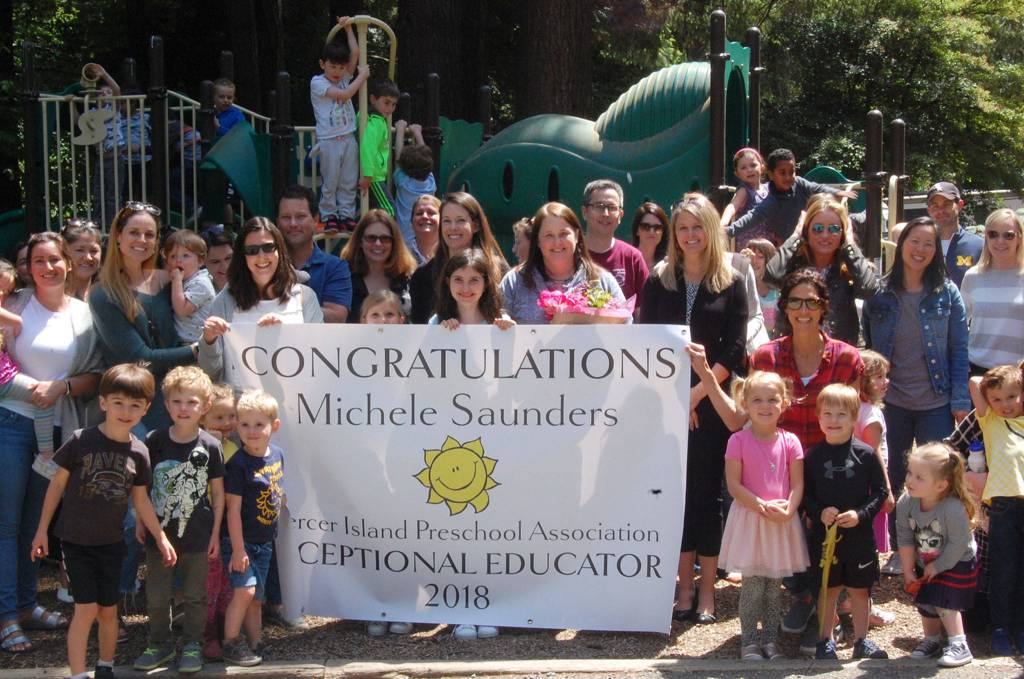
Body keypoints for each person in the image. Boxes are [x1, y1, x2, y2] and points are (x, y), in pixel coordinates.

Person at [640, 193, 748, 623]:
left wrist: (698, 393)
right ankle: (681, 590)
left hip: (711, 403)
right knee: (677, 498)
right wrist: (674, 399)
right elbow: (646, 344)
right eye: (682, 228)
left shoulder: (731, 280)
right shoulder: (659, 279)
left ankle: (707, 593)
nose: (690, 235)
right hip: (667, 408)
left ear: (711, 229)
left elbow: (736, 348)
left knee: (707, 498)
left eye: (697, 226)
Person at [30, 363, 177, 679]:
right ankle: (78, 673)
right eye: (119, 402)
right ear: (104, 402)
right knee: (85, 609)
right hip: (75, 541)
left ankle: (105, 665)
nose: (126, 411)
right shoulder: (81, 440)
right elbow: (56, 486)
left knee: (109, 610)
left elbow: (141, 500)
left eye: (135, 405)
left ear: (146, 408)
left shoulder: (139, 452)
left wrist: (160, 536)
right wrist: (41, 530)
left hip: (111, 544)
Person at [0, 232, 105, 655]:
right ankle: (6, 615)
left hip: (58, 433)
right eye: (38, 261)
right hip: (11, 424)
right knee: (6, 525)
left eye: (55, 260)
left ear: (67, 262)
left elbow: (95, 375)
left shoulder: (84, 314)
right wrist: (30, 390)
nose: (47, 268)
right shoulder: (13, 306)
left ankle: (26, 605)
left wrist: (60, 386)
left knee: (34, 524)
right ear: (29, 266)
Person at [749, 268, 864, 653]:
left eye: (811, 302)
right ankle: (802, 597)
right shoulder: (765, 356)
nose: (803, 309)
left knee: (833, 535)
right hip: (781, 464)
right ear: (783, 307)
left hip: (832, 462)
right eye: (795, 301)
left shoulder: (847, 359)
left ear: (823, 307)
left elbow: (857, 418)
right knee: (788, 531)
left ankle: (833, 607)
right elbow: (749, 413)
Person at [863, 216, 970, 576]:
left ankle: (930, 551)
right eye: (915, 241)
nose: (920, 249)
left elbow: (959, 349)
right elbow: (870, 348)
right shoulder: (880, 293)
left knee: (933, 480)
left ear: (936, 251)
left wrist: (959, 401)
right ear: (901, 244)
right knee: (894, 475)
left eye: (929, 244)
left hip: (935, 402)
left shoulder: (946, 292)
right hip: (891, 402)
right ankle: (898, 548)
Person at [690, 356, 808, 661]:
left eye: (772, 400)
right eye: (757, 400)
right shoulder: (738, 440)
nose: (765, 406)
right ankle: (749, 642)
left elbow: (797, 484)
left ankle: (771, 641)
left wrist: (789, 509)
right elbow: (733, 485)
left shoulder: (791, 441)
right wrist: (759, 505)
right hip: (751, 518)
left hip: (780, 521)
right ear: (745, 402)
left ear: (784, 403)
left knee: (774, 587)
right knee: (753, 586)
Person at [133, 367, 224, 674]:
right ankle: (158, 643)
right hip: (161, 535)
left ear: (205, 406)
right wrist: (140, 521)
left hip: (198, 536)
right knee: (157, 596)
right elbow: (142, 490)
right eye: (177, 401)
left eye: (192, 402)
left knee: (197, 597)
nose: (184, 408)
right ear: (167, 404)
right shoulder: (154, 440)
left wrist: (215, 534)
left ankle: (192, 644)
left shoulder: (211, 445)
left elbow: (218, 494)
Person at [90, 202, 197, 430]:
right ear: (118, 236)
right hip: (134, 408)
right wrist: (195, 351)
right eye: (134, 233)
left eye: (150, 234)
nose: (142, 240)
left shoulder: (169, 280)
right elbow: (140, 359)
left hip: (180, 401)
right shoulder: (103, 293)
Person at [802, 384, 888, 660]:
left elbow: (881, 492)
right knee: (827, 589)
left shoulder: (865, 454)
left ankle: (862, 640)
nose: (833, 420)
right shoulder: (813, 457)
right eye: (827, 414)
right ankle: (825, 640)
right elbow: (806, 496)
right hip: (825, 538)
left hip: (859, 537)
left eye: (841, 414)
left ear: (854, 419)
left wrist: (861, 514)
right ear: (818, 418)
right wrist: (819, 512)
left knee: (860, 590)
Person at [199, 217, 324, 387]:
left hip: (295, 406)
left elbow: (319, 363)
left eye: (268, 247)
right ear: (242, 257)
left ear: (279, 250)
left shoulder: (305, 297)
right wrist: (209, 340)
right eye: (252, 250)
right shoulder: (225, 301)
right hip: (240, 408)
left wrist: (285, 335)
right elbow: (210, 373)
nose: (261, 256)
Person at [897, 442, 978, 667]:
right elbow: (904, 538)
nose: (910, 481)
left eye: (919, 478)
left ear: (941, 485)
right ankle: (932, 640)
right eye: (909, 473)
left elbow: (959, 543)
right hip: (928, 557)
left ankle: (959, 644)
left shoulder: (952, 508)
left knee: (944, 600)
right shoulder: (906, 502)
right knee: (925, 600)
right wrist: (908, 570)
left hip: (957, 559)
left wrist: (940, 565)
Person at [220, 389, 285, 667]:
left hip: (265, 540)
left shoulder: (278, 455)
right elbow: (232, 509)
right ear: (237, 427)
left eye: (259, 424)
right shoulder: (237, 464)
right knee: (244, 591)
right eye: (245, 425)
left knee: (256, 598)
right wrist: (237, 549)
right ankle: (230, 642)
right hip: (240, 541)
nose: (252, 431)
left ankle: (256, 642)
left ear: (274, 426)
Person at [764, 195, 877, 345]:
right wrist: (796, 235)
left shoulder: (851, 265)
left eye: (834, 229)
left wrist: (850, 245)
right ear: (807, 231)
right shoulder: (792, 264)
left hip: (837, 356)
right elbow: (771, 276)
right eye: (817, 228)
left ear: (843, 233)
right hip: (793, 351)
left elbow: (868, 289)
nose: (825, 235)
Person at [971, 365, 1024, 655]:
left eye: (1013, 397)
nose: (1005, 405)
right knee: (1004, 569)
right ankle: (1002, 627)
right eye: (998, 399)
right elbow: (974, 380)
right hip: (1003, 505)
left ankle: (1021, 625)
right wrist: (1006, 379)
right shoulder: (990, 420)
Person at [500, 202, 625, 325]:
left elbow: (627, 327)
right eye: (549, 235)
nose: (557, 242)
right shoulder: (514, 282)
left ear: (576, 236)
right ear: (537, 241)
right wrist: (503, 322)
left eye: (564, 234)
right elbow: (495, 321)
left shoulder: (602, 281)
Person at [409, 192, 508, 324]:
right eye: (446, 221)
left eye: (460, 220)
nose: (453, 227)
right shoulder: (423, 276)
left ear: (476, 226)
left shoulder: (498, 269)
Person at [726, 148, 856, 247]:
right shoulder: (770, 201)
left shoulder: (799, 183)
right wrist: (729, 231)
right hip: (788, 242)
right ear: (771, 175)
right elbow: (752, 217)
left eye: (791, 172)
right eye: (782, 173)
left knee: (852, 220)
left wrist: (837, 192)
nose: (788, 177)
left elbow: (816, 188)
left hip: (807, 234)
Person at [309, 17, 369, 231]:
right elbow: (343, 96)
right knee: (331, 180)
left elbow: (354, 54)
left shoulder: (344, 77)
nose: (337, 71)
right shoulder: (318, 82)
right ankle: (328, 215)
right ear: (322, 64)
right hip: (330, 140)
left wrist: (349, 28)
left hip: (348, 137)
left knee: (348, 180)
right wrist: (361, 77)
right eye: (332, 66)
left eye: (341, 67)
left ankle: (346, 214)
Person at [960, 208, 1024, 374]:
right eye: (993, 234)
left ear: (1019, 238)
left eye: (1008, 235)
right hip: (978, 372)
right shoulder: (972, 276)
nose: (1000, 241)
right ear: (986, 237)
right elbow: (959, 324)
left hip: (1018, 374)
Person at [277, 184, 353, 322]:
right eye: (286, 217)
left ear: (316, 219)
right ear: (277, 222)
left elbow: (337, 318)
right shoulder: (266, 265)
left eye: (300, 216)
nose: (293, 224)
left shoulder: (335, 267)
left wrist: (292, 305)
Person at [201, 383, 238, 661]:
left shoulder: (234, 447)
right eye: (219, 417)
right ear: (203, 418)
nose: (226, 424)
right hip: (204, 529)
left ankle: (227, 634)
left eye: (230, 417)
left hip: (229, 528)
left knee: (227, 584)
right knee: (208, 586)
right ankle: (207, 635)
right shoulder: (199, 447)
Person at [581, 179, 649, 311]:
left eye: (612, 207)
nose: (605, 213)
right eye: (599, 206)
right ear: (585, 212)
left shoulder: (632, 258)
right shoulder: (570, 254)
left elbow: (643, 312)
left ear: (620, 215)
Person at [340, 209, 416, 323]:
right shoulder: (344, 278)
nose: (378, 244)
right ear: (360, 241)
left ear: (394, 243)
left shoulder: (408, 280)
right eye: (371, 238)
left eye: (385, 238)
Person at [430, 248, 515, 330]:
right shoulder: (437, 322)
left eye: (474, 280)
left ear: (485, 284)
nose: (465, 289)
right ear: (448, 282)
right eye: (458, 280)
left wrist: (512, 331)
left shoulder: (501, 323)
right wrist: (439, 334)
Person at [924, 182, 983, 288]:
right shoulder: (920, 246)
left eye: (946, 204)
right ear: (929, 210)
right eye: (935, 206)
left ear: (960, 205)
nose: (940, 210)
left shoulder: (979, 246)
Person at [393, 121, 436, 263]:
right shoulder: (430, 184)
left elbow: (398, 158)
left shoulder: (404, 183)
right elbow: (426, 157)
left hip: (404, 237)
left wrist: (399, 130)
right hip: (423, 234)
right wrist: (418, 133)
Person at [164, 229, 216, 345]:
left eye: (185, 255)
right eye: (173, 256)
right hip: (182, 343)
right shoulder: (186, 280)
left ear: (200, 261)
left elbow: (182, 310)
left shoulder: (201, 283)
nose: (178, 260)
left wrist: (176, 281)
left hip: (196, 345)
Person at [360, 78, 400, 216]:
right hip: (374, 177)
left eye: (394, 104)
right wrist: (368, 174)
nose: (390, 108)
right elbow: (368, 148)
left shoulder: (376, 120)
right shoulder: (374, 122)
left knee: (375, 211)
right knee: (390, 210)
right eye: (386, 103)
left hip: (374, 175)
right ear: (373, 99)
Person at [720, 147, 770, 250]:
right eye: (743, 168)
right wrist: (723, 223)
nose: (749, 170)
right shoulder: (745, 191)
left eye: (753, 165)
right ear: (737, 174)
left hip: (768, 242)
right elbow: (733, 206)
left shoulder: (769, 188)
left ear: (762, 167)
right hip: (748, 246)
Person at [740, 239, 779, 338]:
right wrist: (740, 263)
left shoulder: (779, 290)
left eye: (760, 257)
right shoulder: (740, 285)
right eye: (751, 256)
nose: (754, 261)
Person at [62, 219, 103, 301]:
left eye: (94, 251)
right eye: (79, 250)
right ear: (64, 252)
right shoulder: (51, 297)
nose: (88, 257)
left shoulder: (107, 297)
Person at [630, 202, 669, 270]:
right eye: (646, 226)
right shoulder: (626, 260)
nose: (652, 231)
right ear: (637, 231)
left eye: (657, 227)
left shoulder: (667, 265)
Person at [411, 195, 441, 262]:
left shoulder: (451, 255)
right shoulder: (401, 256)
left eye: (431, 213)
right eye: (419, 213)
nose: (424, 216)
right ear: (411, 223)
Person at [203, 229, 234, 294]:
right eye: (215, 262)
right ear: (203, 262)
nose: (225, 267)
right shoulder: (197, 287)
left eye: (228, 258)